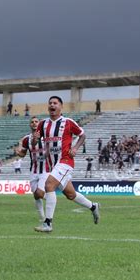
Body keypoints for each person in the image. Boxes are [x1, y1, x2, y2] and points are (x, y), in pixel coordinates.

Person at [33, 96, 100, 232]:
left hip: (65, 161)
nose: (52, 105)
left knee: (49, 185)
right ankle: (93, 206)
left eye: (55, 103)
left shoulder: (68, 122)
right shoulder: (42, 124)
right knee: (70, 194)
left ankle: (48, 223)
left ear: (61, 106)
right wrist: (35, 140)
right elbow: (35, 142)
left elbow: (82, 135)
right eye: (50, 103)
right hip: (52, 164)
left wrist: (75, 148)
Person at [15, 116, 48, 228]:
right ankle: (43, 219)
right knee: (36, 196)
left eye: (36, 122)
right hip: (33, 170)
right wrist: (18, 152)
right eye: (32, 122)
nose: (34, 123)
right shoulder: (26, 139)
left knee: (39, 193)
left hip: (45, 169)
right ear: (30, 125)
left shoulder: (46, 136)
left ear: (39, 124)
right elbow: (23, 153)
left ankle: (51, 198)